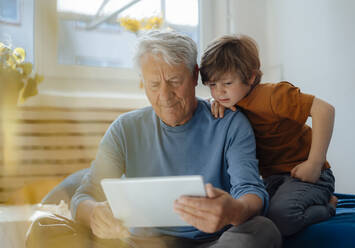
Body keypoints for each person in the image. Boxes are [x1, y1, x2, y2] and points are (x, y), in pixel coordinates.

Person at [26, 31, 281, 248]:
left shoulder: (230, 123)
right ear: (142, 84)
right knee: (44, 229)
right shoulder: (125, 128)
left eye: (174, 81)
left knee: (263, 230)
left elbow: (251, 190)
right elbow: (85, 194)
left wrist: (233, 210)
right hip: (140, 243)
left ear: (194, 76)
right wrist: (95, 214)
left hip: (212, 241)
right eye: (154, 84)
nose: (165, 95)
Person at [199, 34, 337, 237]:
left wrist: (314, 164)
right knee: (251, 220)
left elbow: (325, 110)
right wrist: (212, 101)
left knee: (281, 219)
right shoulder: (229, 103)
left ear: (251, 77)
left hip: (307, 173)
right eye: (212, 85)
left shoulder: (273, 96)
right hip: (272, 179)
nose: (219, 92)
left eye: (227, 83)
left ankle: (329, 206)